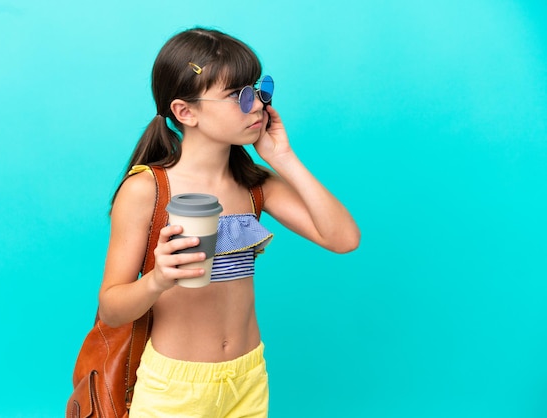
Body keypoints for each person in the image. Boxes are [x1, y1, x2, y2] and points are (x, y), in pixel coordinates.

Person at [98, 27, 360, 418]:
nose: (257, 105)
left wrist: (282, 157)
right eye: (237, 96)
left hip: (248, 377)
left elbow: (344, 239)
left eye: (257, 89)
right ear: (186, 112)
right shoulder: (147, 189)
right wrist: (157, 279)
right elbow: (111, 310)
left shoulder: (256, 184)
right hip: (175, 388)